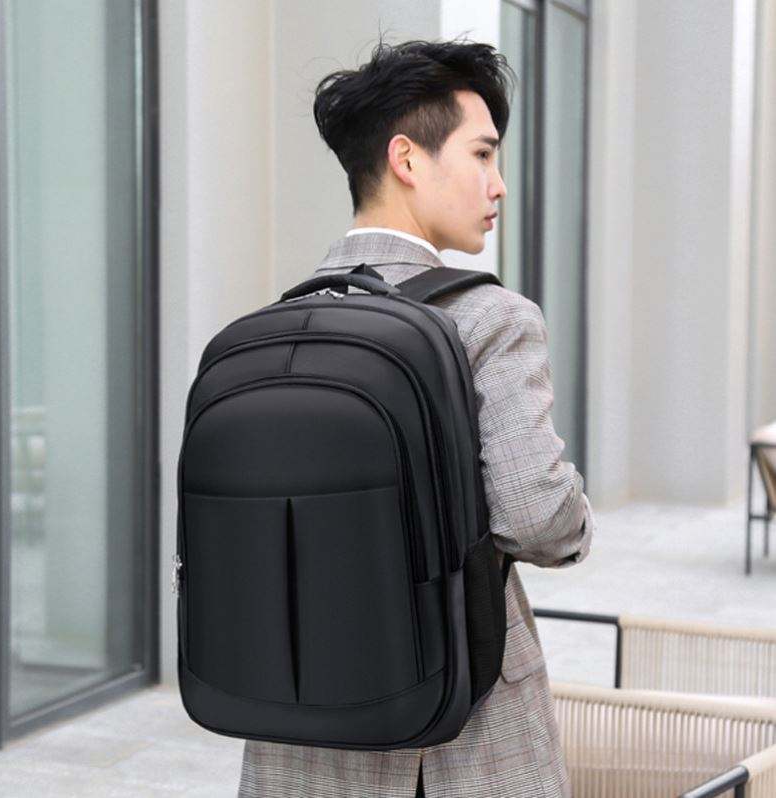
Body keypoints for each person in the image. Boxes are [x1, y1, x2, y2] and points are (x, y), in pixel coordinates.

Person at [238, 35, 594, 798]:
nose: (498, 185)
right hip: (456, 741)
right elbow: (538, 518)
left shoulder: (269, 333)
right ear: (406, 158)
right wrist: (579, 518)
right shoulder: (491, 320)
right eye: (482, 155)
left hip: (294, 735)